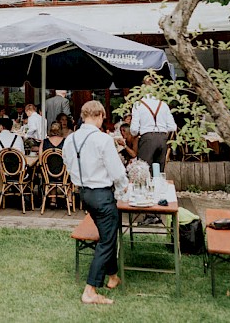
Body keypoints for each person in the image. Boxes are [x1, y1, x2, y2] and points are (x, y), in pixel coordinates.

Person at [63, 101, 127, 305]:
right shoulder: (103, 139)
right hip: (101, 194)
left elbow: (67, 163)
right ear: (99, 115)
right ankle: (90, 290)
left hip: (84, 193)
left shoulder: (70, 139)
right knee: (106, 241)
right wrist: (124, 187)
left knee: (108, 233)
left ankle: (113, 276)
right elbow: (116, 171)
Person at [129, 79, 177, 167]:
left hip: (147, 138)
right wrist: (162, 130)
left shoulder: (138, 104)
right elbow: (172, 127)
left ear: (142, 89)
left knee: (145, 169)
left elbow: (134, 130)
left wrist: (140, 132)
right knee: (159, 170)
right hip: (163, 138)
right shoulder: (163, 104)